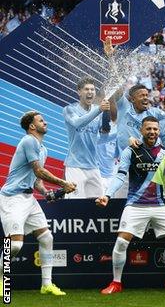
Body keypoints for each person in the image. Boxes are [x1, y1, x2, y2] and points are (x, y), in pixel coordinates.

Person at [95, 116, 165, 294]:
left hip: (161, 204)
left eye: (155, 129)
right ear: (142, 131)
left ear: (159, 131)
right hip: (136, 205)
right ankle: (116, 283)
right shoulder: (130, 151)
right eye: (148, 129)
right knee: (121, 242)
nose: (152, 132)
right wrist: (107, 194)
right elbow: (120, 175)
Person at [0, 111, 76, 296]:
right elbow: (39, 171)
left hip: (28, 198)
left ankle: (46, 284)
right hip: (12, 198)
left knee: (46, 237)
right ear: (32, 126)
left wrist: (46, 193)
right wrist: (63, 183)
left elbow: (36, 179)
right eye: (41, 120)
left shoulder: (43, 148)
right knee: (15, 246)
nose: (45, 122)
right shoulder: (28, 141)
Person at [63, 77, 110, 198]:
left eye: (93, 90)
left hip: (94, 166)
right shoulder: (69, 109)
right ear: (79, 92)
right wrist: (100, 110)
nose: (90, 92)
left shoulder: (98, 111)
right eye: (86, 89)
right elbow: (77, 123)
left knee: (100, 204)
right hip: (75, 166)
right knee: (75, 205)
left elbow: (102, 137)